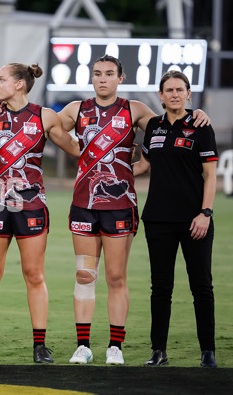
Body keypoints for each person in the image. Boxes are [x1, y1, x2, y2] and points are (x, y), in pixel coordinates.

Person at [56, 55, 210, 365]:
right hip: (84, 206)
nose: (103, 78)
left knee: (115, 276)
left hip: (120, 207)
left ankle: (115, 346)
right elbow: (45, 126)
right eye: (97, 73)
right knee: (85, 275)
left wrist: (197, 113)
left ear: (120, 78)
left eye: (109, 73)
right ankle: (83, 346)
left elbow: (171, 125)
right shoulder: (77, 109)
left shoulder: (135, 110)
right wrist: (75, 150)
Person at [0, 63, 80, 363]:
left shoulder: (45, 116)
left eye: (1, 79)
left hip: (31, 203)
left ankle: (39, 346)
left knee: (34, 274)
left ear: (19, 84)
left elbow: (74, 147)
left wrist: (127, 151)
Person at [133, 70, 218, 368]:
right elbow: (144, 164)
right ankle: (159, 351)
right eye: (168, 90)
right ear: (160, 95)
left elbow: (210, 175)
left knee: (201, 287)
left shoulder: (200, 125)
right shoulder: (154, 126)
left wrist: (205, 212)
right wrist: (108, 169)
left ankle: (208, 351)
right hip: (157, 220)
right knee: (161, 288)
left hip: (194, 220)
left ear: (188, 94)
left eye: (179, 90)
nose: (174, 94)